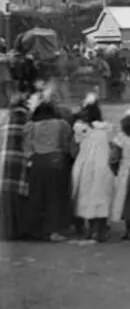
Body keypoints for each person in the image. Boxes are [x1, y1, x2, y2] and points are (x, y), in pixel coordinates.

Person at [21, 91, 74, 242]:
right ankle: (54, 231)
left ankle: (35, 231)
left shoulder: (30, 126)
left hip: (37, 163)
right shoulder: (62, 124)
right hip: (57, 162)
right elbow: (66, 144)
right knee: (55, 197)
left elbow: (27, 148)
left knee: (37, 197)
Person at [71, 95, 114, 242]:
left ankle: (89, 230)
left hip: (85, 166)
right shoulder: (107, 128)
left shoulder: (80, 128)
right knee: (101, 196)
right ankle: (101, 231)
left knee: (86, 196)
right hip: (103, 166)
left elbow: (76, 145)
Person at [0, 96, 29, 241]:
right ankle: (17, 230)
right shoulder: (27, 118)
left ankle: (5, 231)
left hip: (4, 160)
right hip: (20, 159)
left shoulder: (4, 117)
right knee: (19, 198)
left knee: (5, 198)